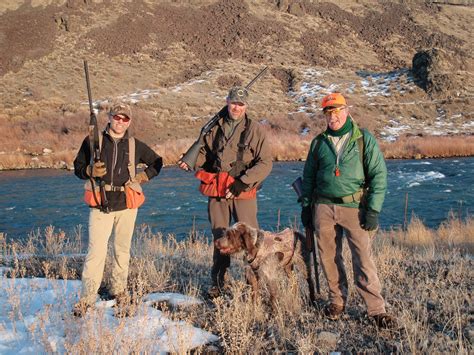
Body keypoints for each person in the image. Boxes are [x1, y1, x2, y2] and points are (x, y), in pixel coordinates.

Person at [300, 92, 396, 329]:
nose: (332, 117)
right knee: (328, 257)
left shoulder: (364, 139)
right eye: (328, 113)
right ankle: (337, 301)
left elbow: (379, 176)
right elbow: (309, 177)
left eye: (336, 112)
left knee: (362, 257)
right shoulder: (319, 142)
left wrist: (373, 209)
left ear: (346, 111)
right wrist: (306, 206)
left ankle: (376, 309)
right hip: (322, 207)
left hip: (355, 207)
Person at [179, 87, 272, 297]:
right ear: (227, 101)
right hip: (217, 191)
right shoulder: (214, 127)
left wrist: (243, 182)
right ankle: (218, 283)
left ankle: (256, 285)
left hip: (243, 192)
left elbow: (266, 163)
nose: (236, 107)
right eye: (233, 103)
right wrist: (190, 161)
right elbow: (205, 155)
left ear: (246, 106)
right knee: (220, 238)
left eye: (241, 104)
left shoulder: (256, 130)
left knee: (252, 239)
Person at [73, 102, 163, 317]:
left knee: (122, 250)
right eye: (117, 117)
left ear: (129, 122)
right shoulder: (93, 141)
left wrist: (143, 176)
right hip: (99, 204)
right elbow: (77, 168)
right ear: (110, 118)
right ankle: (86, 298)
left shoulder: (134, 145)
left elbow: (157, 162)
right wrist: (89, 170)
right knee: (96, 252)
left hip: (126, 206)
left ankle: (119, 291)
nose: (120, 122)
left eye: (125, 119)